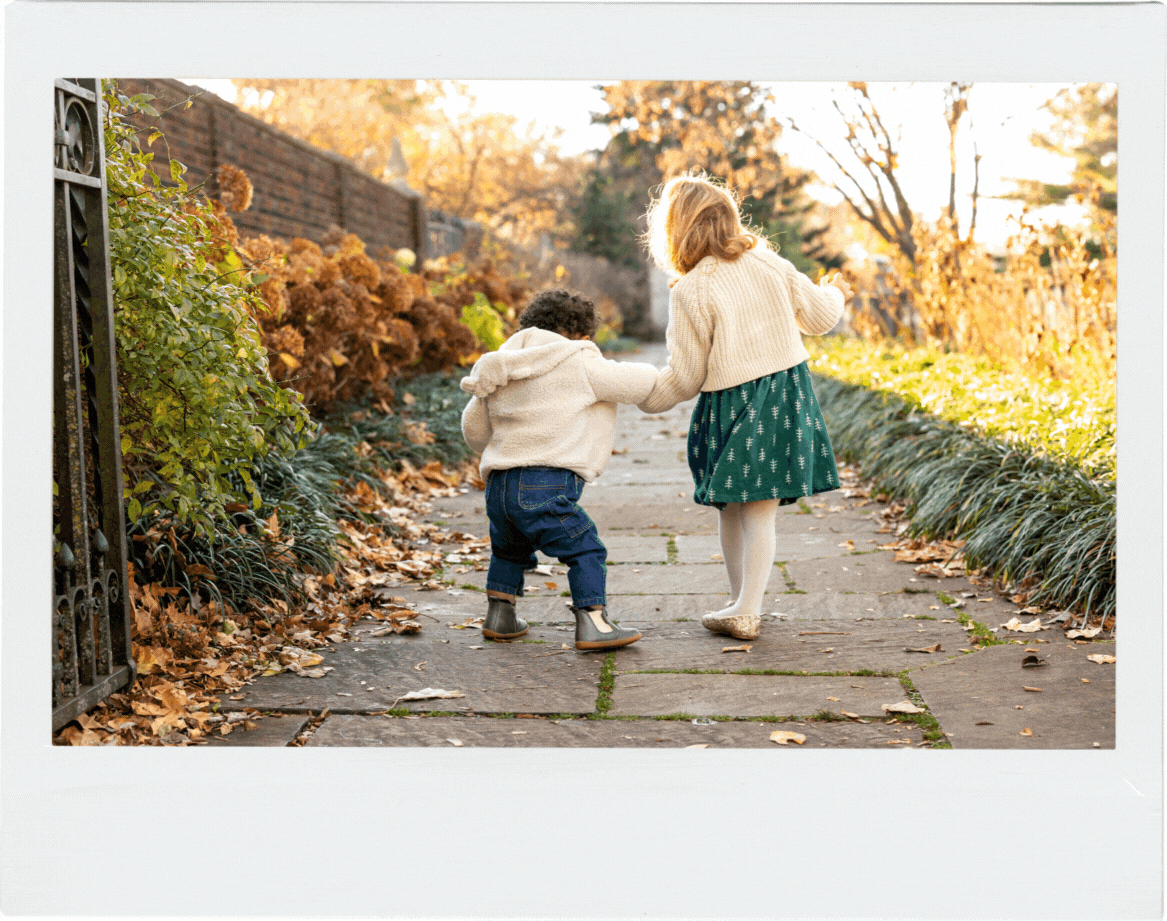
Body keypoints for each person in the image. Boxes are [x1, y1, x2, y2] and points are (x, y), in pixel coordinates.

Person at [638, 174, 853, 641]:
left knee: (738, 506)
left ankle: (746, 607)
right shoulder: (767, 262)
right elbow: (820, 316)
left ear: (676, 232)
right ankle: (739, 603)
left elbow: (686, 375)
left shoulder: (691, 289)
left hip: (730, 401)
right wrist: (836, 291)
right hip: (783, 393)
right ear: (729, 219)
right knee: (752, 507)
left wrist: (644, 396)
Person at [460, 289, 658, 650]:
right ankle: (594, 622)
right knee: (584, 549)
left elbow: (473, 430)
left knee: (508, 551)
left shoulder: (500, 364)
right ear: (582, 333)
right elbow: (635, 383)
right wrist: (657, 370)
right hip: (545, 481)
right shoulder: (577, 359)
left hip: (499, 485)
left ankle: (500, 617)